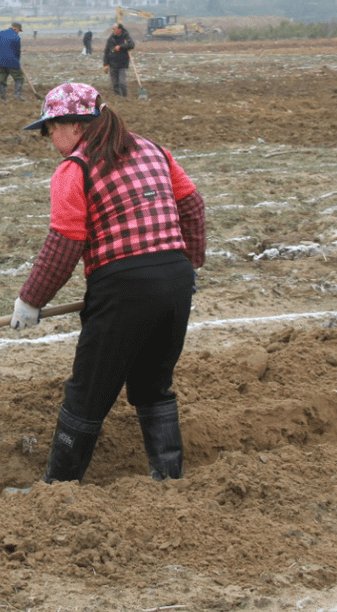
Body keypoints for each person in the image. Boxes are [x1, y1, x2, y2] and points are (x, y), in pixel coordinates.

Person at [12, 82, 206, 485]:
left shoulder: (75, 169)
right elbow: (192, 205)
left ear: (74, 125)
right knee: (153, 386)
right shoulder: (154, 150)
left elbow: (66, 240)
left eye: (51, 129)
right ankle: (169, 479)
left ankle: (58, 488)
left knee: (88, 394)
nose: (49, 139)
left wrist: (31, 299)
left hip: (122, 288)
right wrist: (189, 267)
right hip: (172, 281)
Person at [0, 21, 25, 101]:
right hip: (12, 61)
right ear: (17, 28)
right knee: (19, 78)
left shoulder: (1, 33)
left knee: (2, 79)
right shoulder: (16, 37)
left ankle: (3, 98)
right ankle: (18, 95)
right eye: (19, 30)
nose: (18, 32)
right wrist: (17, 62)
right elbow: (17, 52)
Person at [102, 23, 136, 97]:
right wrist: (105, 64)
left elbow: (132, 45)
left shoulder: (125, 36)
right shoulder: (111, 38)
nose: (113, 30)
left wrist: (121, 47)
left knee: (122, 82)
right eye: (113, 29)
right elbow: (106, 51)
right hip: (112, 64)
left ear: (119, 29)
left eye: (114, 29)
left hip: (122, 64)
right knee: (115, 84)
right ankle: (117, 97)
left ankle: (124, 96)